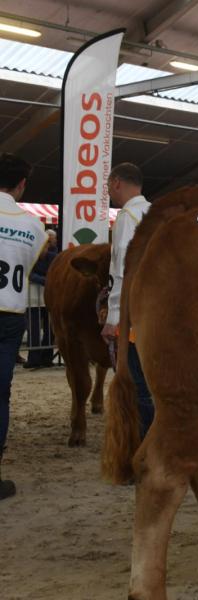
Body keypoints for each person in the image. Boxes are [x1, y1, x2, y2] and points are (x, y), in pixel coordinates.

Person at [0, 154, 49, 500]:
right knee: (0, 394)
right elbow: (30, 268)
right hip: (10, 316)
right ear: (21, 185)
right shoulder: (33, 226)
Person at [99, 163, 154, 439]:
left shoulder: (127, 216)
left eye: (108, 185)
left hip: (135, 317)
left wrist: (112, 318)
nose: (108, 191)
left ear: (117, 182)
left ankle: (146, 449)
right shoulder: (156, 213)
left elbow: (122, 268)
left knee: (138, 387)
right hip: (161, 312)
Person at [24, 228, 58, 369]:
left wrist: (44, 280)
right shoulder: (30, 256)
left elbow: (54, 272)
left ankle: (47, 358)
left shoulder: (53, 257)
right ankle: (34, 358)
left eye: (47, 244)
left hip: (49, 297)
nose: (45, 247)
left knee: (50, 330)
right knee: (34, 329)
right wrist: (47, 280)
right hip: (33, 298)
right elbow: (29, 274)